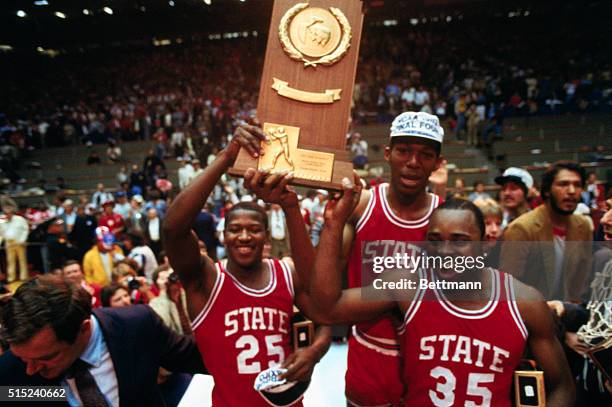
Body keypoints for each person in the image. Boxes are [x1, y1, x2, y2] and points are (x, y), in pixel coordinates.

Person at [309, 184, 575, 406]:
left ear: (484, 244)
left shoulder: (524, 302)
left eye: (459, 240)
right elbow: (327, 310)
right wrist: (334, 223)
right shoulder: (409, 286)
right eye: (434, 240)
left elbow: (562, 386)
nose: (445, 252)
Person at [163, 123, 331, 406]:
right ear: (223, 236)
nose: (244, 236)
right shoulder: (205, 280)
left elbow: (326, 316)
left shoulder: (285, 272)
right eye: (235, 229)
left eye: (253, 229)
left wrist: (314, 351)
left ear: (265, 236)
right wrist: (226, 158)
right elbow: (173, 229)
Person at [338, 111, 444, 406]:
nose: (413, 162)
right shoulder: (361, 205)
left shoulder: (450, 219)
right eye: (404, 151)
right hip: (368, 359)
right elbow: (327, 289)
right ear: (387, 153)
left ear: (437, 163)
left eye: (425, 154)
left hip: (429, 363)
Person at [0, 275, 206, 406]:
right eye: (23, 358)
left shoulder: (137, 326)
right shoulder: (11, 370)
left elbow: (201, 358)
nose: (30, 369)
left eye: (46, 358)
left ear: (83, 329)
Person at [500, 161, 592, 301]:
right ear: (547, 190)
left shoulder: (583, 226)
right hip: (531, 316)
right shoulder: (522, 228)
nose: (572, 191)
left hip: (571, 315)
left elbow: (583, 279)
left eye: (577, 185)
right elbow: (508, 288)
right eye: (563, 184)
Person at [0, 205, 29, 282]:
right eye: (6, 213)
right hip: (9, 243)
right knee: (10, 261)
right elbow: (1, 233)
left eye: (9, 213)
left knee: (22, 260)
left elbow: (25, 230)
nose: (7, 215)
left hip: (19, 242)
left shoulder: (20, 219)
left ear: (12, 213)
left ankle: (23, 277)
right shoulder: (2, 221)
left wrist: (22, 239)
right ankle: (11, 277)